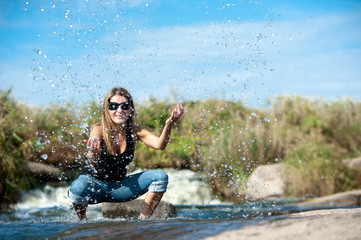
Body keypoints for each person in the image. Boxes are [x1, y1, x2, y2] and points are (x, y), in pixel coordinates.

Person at [68, 87, 184, 220]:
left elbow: (159, 145)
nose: (119, 110)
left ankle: (143, 221)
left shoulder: (134, 130)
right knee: (78, 186)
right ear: (107, 109)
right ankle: (82, 222)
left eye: (124, 106)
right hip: (94, 188)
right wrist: (94, 151)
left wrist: (169, 124)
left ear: (131, 109)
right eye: (113, 106)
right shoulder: (99, 128)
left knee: (159, 176)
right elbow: (92, 156)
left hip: (120, 188)